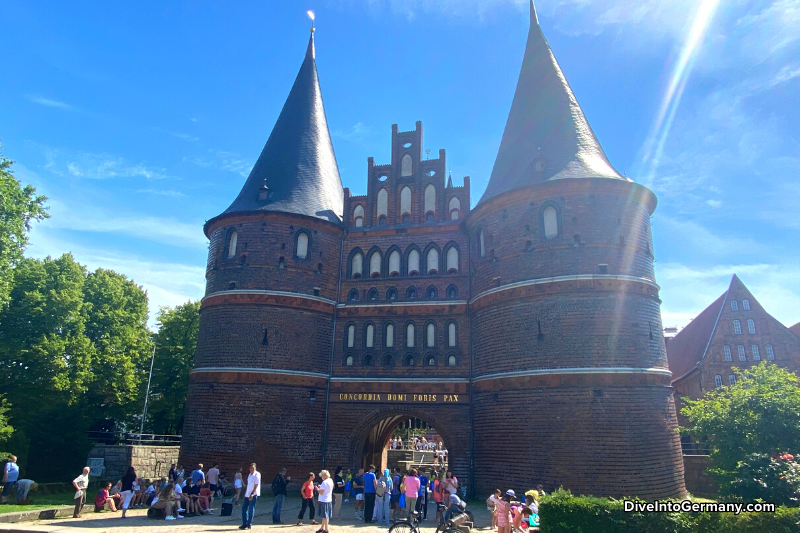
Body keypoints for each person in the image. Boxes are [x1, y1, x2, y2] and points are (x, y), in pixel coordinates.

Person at [240, 463, 260, 530]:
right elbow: (248, 485)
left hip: (253, 494)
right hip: (247, 493)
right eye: (251, 468)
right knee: (244, 508)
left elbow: (256, 485)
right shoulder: (249, 475)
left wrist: (252, 493)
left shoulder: (257, 474)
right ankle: (244, 523)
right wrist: (245, 493)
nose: (252, 470)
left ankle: (249, 524)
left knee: (251, 509)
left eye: (253, 468)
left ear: (255, 468)